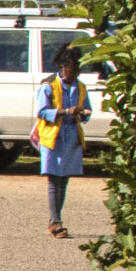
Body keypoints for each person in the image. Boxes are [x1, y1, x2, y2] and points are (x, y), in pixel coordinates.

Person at [36, 44, 91, 238]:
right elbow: (41, 112)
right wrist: (65, 111)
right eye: (71, 70)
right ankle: (56, 221)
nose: (74, 74)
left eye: (77, 71)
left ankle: (55, 220)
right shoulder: (48, 85)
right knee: (53, 180)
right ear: (62, 67)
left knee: (64, 180)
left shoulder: (81, 87)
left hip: (72, 137)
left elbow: (86, 110)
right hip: (53, 138)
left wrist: (84, 113)